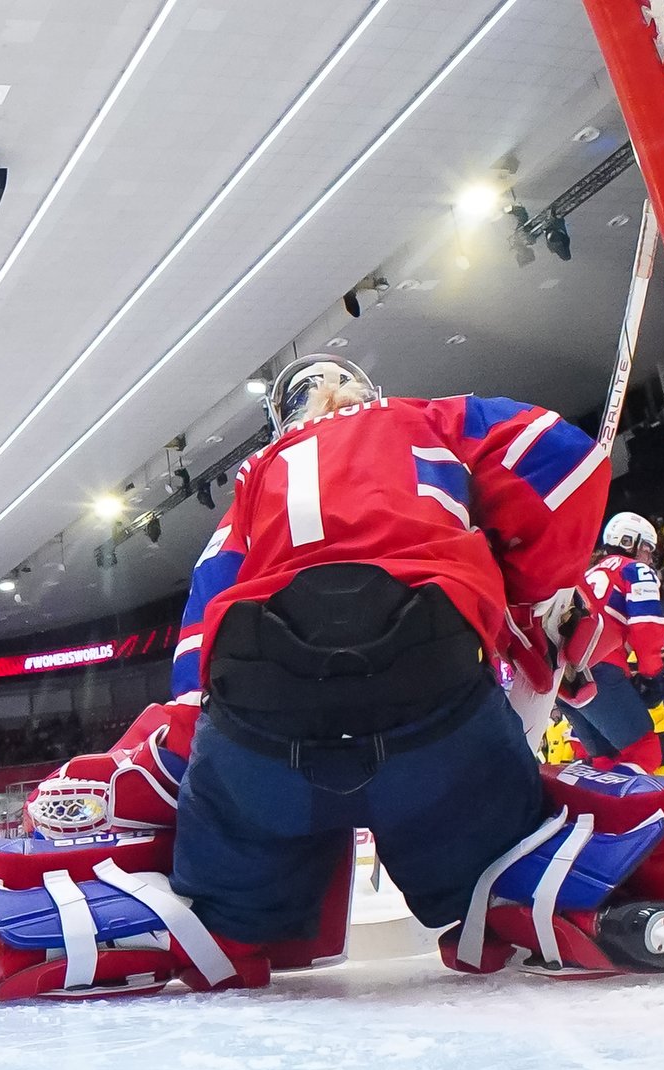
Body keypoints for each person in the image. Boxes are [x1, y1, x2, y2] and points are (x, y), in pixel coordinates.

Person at [168, 357, 625, 977]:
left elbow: (202, 623)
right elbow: (568, 459)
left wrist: (199, 756)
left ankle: (234, 933)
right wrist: (527, 587)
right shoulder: (429, 418)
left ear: (282, 418)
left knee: (229, 916)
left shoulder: (258, 471)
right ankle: (501, 910)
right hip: (430, 683)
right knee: (491, 891)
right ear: (368, 388)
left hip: (264, 712)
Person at [558, 513, 664, 773]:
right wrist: (652, 675)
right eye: (647, 548)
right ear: (629, 542)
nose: (649, 557)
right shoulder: (635, 570)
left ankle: (595, 800)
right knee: (645, 752)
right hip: (598, 673)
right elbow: (647, 627)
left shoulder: (588, 573)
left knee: (605, 760)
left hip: (565, 679)